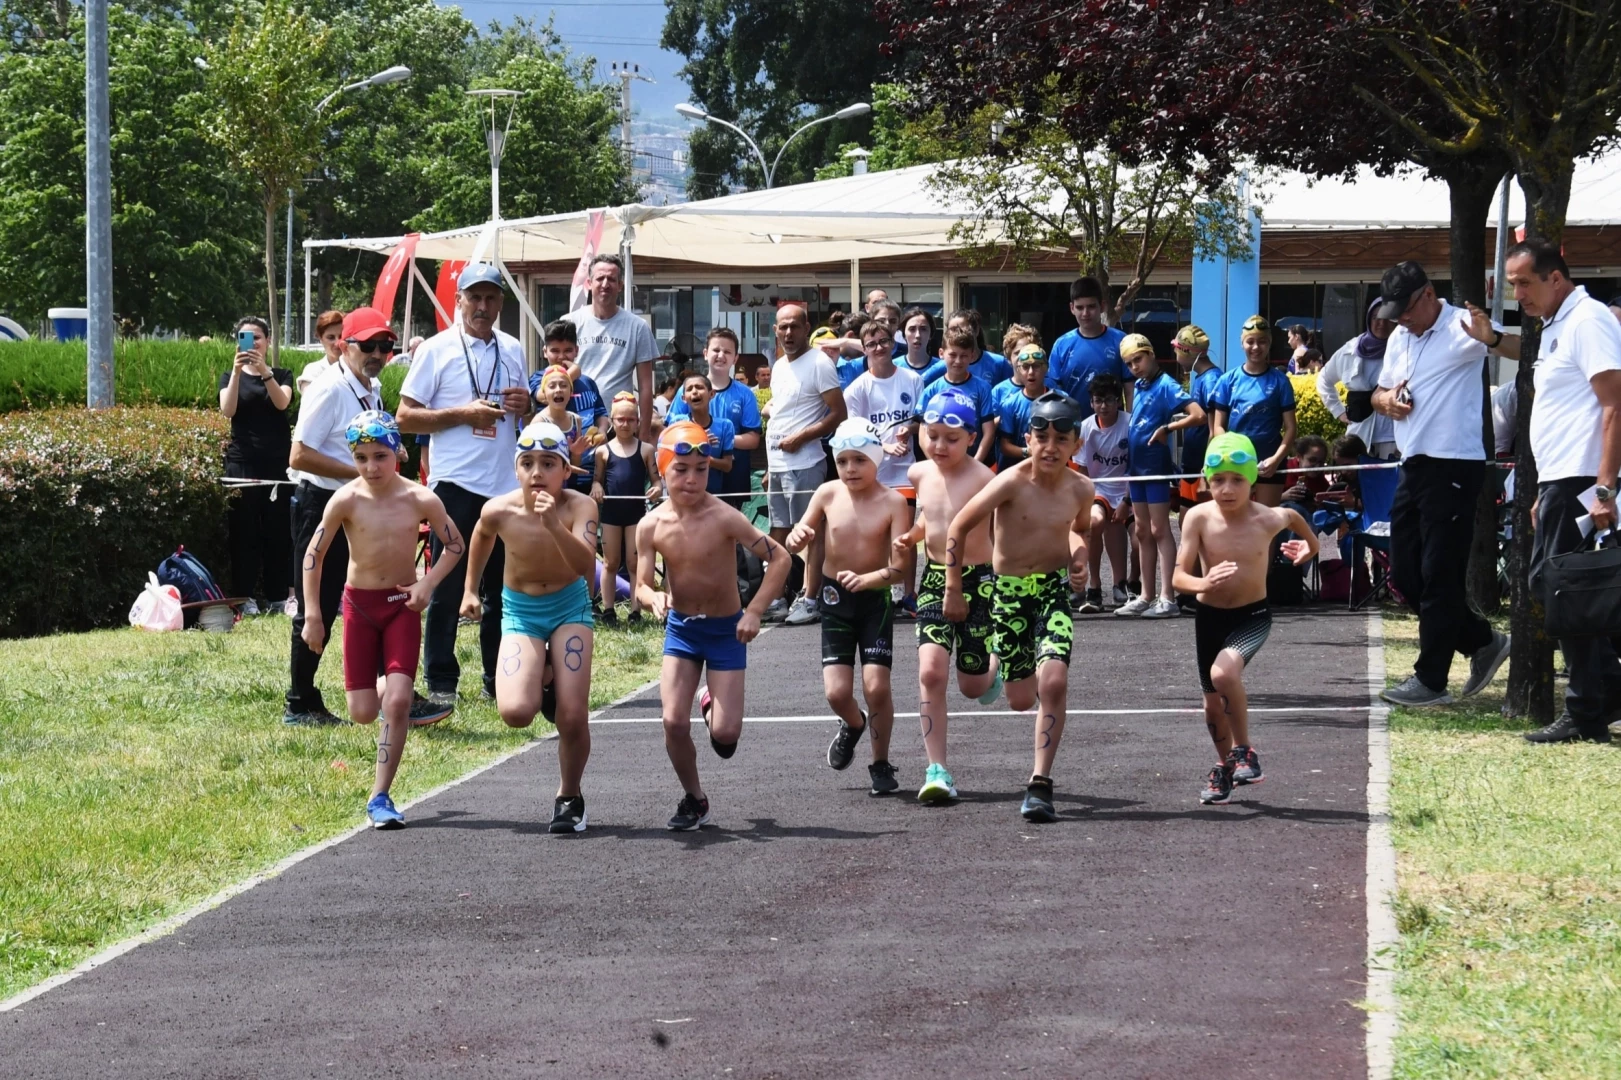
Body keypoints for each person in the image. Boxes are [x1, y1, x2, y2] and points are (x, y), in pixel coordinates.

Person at [299, 410, 465, 829]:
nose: (371, 467)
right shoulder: (345, 499)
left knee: (398, 702)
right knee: (361, 712)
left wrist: (427, 585)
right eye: (361, 458)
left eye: (380, 456)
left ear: (398, 454)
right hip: (359, 607)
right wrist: (313, 615)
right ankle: (388, 688)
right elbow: (313, 555)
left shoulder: (420, 498)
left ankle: (380, 795)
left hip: (401, 606)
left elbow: (455, 545)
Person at [1488, 240, 1621, 742]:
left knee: (1566, 590)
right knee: (1555, 585)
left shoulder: (1588, 320)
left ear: (1556, 279)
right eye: (1513, 285)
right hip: (1562, 479)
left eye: (1525, 283)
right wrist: (1546, 489)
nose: (1518, 294)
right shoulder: (1557, 324)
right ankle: (1604, 693)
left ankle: (1588, 709)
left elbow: (1614, 405)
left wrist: (1604, 488)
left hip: (1584, 479)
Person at [287, 307, 445, 726]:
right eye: (367, 345)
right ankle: (300, 703)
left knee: (380, 594)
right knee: (318, 604)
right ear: (344, 346)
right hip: (323, 501)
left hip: (361, 503)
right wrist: (363, 472)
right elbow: (298, 455)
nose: (377, 354)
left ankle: (396, 689)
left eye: (385, 346)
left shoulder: (370, 386)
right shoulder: (328, 388)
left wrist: (388, 457)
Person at [635, 422, 791, 830]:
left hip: (726, 631)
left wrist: (755, 610)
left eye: (701, 469)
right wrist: (654, 598)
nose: (691, 479)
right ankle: (694, 797)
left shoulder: (725, 517)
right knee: (672, 722)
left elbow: (781, 558)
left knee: (725, 735)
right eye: (681, 469)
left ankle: (711, 703)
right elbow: (640, 586)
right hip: (683, 631)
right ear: (662, 469)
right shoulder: (651, 525)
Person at [946, 391, 1093, 823]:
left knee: (1054, 681)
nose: (1050, 447)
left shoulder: (1081, 488)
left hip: (1051, 591)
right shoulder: (1010, 481)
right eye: (1041, 437)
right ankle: (998, 660)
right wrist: (954, 588)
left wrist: (1079, 559)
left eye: (1061, 439)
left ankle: (1040, 783)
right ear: (1028, 439)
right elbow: (959, 525)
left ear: (1076, 444)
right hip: (1008, 593)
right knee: (1019, 700)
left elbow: (1079, 531)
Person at [1369, 261, 1509, 707]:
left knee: (1439, 575)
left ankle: (1431, 680)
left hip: (1454, 465)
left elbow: (1524, 347)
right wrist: (1386, 401)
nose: (1401, 320)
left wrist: (1493, 339)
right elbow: (1378, 392)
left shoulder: (1462, 325)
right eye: (1394, 313)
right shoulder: (1399, 337)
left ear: (1429, 294)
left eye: (1406, 310)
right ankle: (1482, 640)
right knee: (1405, 575)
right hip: (1412, 464)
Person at [396, 263, 531, 711]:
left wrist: (525, 405)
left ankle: (498, 677)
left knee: (502, 587)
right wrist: (463, 414)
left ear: (501, 303)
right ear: (459, 301)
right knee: (448, 585)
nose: (482, 306)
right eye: (474, 297)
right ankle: (441, 679)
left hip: (504, 483)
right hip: (454, 483)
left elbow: (523, 416)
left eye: (491, 298)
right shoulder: (436, 349)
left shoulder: (512, 348)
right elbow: (405, 417)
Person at [461, 419, 600, 831]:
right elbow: (481, 535)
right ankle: (546, 674)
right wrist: (470, 590)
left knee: (571, 716)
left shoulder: (580, 507)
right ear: (516, 469)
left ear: (566, 470)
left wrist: (553, 525)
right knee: (516, 712)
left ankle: (569, 796)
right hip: (521, 611)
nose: (537, 473)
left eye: (548, 463)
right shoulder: (498, 509)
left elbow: (585, 565)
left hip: (569, 607)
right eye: (527, 463)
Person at [1172, 432, 1317, 805]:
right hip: (1209, 617)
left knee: (1223, 675)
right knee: (1211, 703)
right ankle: (1226, 767)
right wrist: (1203, 582)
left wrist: (1308, 548)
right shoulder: (1197, 518)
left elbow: (1298, 522)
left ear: (1252, 480)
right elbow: (1178, 577)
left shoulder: (1269, 518)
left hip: (1252, 616)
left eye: (1237, 479)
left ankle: (1245, 751)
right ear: (1207, 480)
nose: (1227, 489)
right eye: (1218, 480)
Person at [786, 420, 910, 794]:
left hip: (874, 601)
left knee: (877, 687)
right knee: (836, 693)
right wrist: (796, 536)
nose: (850, 469)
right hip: (835, 599)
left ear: (876, 460)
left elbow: (900, 568)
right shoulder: (827, 493)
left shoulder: (893, 502)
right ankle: (854, 723)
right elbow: (797, 539)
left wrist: (869, 579)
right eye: (842, 461)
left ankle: (880, 762)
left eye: (859, 460)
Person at [897, 390, 1003, 804]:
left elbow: (997, 533)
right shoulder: (919, 473)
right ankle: (936, 769)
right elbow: (931, 515)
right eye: (932, 435)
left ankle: (996, 664)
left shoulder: (985, 481)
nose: (939, 446)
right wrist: (912, 536)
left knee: (973, 687)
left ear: (972, 438)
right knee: (930, 673)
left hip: (979, 582)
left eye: (952, 439)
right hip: (935, 578)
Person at [763, 303, 847, 625]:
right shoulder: (779, 366)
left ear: (806, 328)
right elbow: (782, 414)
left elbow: (838, 414)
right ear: (775, 330)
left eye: (794, 326)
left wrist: (802, 438)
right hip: (778, 465)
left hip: (806, 463)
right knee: (778, 531)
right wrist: (770, 466)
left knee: (810, 533)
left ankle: (811, 598)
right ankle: (777, 597)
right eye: (783, 327)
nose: (788, 333)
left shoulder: (820, 363)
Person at [1113, 334, 1205, 618]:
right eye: (1129, 363)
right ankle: (1146, 595)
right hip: (1137, 469)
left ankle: (1167, 597)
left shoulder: (1166, 384)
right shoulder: (1140, 385)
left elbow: (1198, 415)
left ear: (1151, 355)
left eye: (1138, 359)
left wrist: (1168, 429)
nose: (1135, 367)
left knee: (1159, 529)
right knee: (1142, 531)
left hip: (1155, 468)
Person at [842, 319, 924, 614]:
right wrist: (884, 446)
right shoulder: (856, 389)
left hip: (904, 470)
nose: (879, 348)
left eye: (883, 341)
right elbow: (855, 432)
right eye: (872, 344)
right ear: (864, 349)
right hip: (873, 472)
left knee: (904, 537)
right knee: (873, 536)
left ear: (893, 343)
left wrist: (909, 430)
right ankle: (876, 592)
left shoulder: (912, 380)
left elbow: (920, 420)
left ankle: (909, 593)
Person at [219, 315, 293, 617]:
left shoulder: (282, 374)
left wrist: (264, 372)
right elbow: (227, 410)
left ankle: (278, 596)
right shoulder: (229, 375)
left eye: (257, 338)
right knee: (244, 531)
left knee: (279, 530)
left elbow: (282, 403)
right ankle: (244, 595)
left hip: (278, 464)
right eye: (245, 338)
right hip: (242, 463)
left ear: (268, 341)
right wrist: (238, 373)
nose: (251, 344)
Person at [665, 327, 764, 511]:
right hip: (690, 476)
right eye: (716, 350)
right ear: (705, 353)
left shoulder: (745, 394)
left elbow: (753, 440)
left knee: (728, 526)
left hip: (732, 477)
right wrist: (699, 440)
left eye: (727, 352)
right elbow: (670, 433)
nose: (721, 355)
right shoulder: (687, 390)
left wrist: (721, 440)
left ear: (735, 358)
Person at [564, 253, 658, 440]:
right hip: (575, 420)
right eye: (600, 278)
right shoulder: (569, 323)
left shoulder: (637, 327)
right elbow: (557, 372)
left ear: (620, 285)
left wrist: (644, 433)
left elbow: (646, 386)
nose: (605, 284)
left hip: (620, 425)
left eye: (611, 279)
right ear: (589, 283)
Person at [1209, 316, 1297, 506]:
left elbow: (1291, 428)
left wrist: (1276, 459)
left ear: (1269, 343)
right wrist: (1230, 454)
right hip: (1236, 460)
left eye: (1262, 341)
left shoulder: (1280, 381)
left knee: (1266, 520)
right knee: (1235, 519)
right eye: (1250, 341)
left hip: (1269, 461)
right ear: (1242, 344)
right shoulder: (1227, 380)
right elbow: (1218, 427)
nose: (1256, 347)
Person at [592, 393, 658, 624]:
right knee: (610, 562)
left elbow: (656, 481)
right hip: (611, 514)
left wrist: (657, 488)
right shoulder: (603, 451)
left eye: (631, 420)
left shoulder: (646, 450)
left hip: (635, 515)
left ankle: (635, 610)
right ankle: (609, 609)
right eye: (620, 419)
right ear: (612, 421)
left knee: (633, 563)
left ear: (638, 422)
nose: (625, 424)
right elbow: (597, 480)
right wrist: (596, 487)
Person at [1073, 373, 1131, 613]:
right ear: (1091, 402)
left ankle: (1125, 584)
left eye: (1109, 400)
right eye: (1098, 400)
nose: (1104, 406)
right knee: (1094, 523)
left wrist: (1126, 500)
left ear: (1118, 401)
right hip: (1100, 489)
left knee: (1141, 535)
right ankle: (1094, 587)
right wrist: (1085, 500)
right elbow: (1082, 470)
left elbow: (1137, 466)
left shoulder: (1130, 424)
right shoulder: (1086, 428)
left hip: (1128, 488)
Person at [1317, 299, 1398, 460]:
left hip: (1393, 437)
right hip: (1358, 436)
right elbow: (1324, 379)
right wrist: (1338, 411)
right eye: (1375, 317)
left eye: (1387, 318)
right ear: (1368, 320)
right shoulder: (1350, 350)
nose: (1381, 323)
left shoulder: (1404, 349)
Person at [1047, 277, 1130, 416]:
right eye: (1080, 307)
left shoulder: (1121, 341)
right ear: (1072, 308)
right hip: (1071, 425)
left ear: (1102, 306)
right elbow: (1053, 391)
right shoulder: (1061, 345)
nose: (1085, 313)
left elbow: (1130, 389)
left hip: (1112, 426)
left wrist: (1130, 423)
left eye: (1091, 306)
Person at [920, 328, 997, 462]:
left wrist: (975, 464)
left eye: (964, 356)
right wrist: (935, 463)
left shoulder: (983, 388)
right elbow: (923, 433)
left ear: (972, 356)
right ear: (941, 353)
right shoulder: (931, 390)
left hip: (974, 461)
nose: (958, 361)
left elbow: (989, 432)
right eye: (953, 355)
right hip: (940, 461)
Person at [530, 319, 609, 445]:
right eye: (555, 351)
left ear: (576, 350)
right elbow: (542, 396)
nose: (561, 357)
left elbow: (601, 413)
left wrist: (602, 431)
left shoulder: (588, 382)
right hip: (552, 453)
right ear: (545, 352)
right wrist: (573, 372)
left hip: (589, 454)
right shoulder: (538, 378)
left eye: (567, 350)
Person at [530, 364, 595, 493]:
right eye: (552, 386)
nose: (558, 390)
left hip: (569, 487)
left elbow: (575, 464)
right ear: (544, 393)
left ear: (571, 392)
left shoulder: (575, 420)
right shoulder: (540, 422)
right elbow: (532, 461)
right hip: (545, 487)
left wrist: (576, 453)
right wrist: (563, 468)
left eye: (564, 385)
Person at [676, 370, 737, 494]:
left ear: (712, 394)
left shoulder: (725, 426)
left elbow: (727, 465)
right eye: (689, 389)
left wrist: (703, 454)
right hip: (683, 492)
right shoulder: (677, 424)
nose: (694, 391)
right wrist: (697, 445)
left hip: (713, 494)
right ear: (683, 398)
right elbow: (670, 458)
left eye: (699, 387)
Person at [921, 309, 1013, 387]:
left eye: (962, 329)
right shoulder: (944, 365)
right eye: (953, 330)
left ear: (976, 330)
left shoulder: (999, 363)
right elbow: (919, 384)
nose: (958, 334)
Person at [996, 342, 1049, 471]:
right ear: (1018, 370)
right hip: (1018, 471)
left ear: (1046, 368)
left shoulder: (1059, 400)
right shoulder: (1009, 405)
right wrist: (1028, 452)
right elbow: (1004, 445)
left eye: (1036, 366)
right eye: (1025, 367)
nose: (1031, 372)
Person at [296, 309, 346, 392]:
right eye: (331, 337)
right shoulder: (313, 371)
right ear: (321, 339)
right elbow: (309, 398)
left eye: (341, 336)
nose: (337, 343)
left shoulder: (359, 369)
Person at [899, 306, 936, 378]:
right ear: (904, 334)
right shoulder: (893, 366)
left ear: (930, 334)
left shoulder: (941, 367)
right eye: (912, 329)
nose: (918, 335)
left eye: (923, 329)